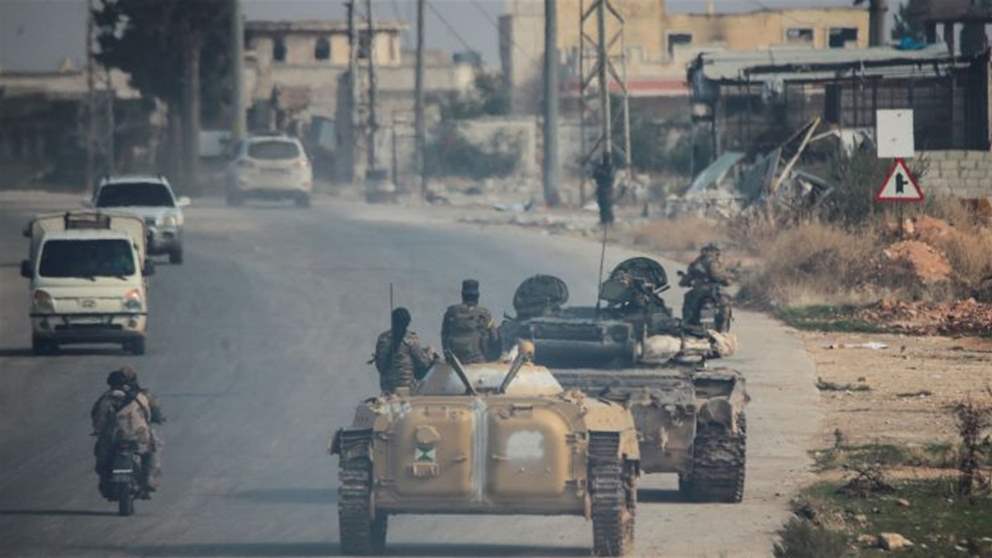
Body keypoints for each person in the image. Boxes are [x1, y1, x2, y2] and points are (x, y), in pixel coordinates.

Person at [90, 366, 163, 499]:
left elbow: (98, 418)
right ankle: (149, 481)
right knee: (153, 449)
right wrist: (158, 419)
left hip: (112, 439)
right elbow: (156, 414)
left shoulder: (106, 398)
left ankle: (107, 485)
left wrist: (99, 431)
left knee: (101, 458)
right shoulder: (143, 395)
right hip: (140, 437)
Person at [372, 307, 436, 394]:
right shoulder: (411, 339)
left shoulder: (383, 338)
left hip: (387, 387)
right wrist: (430, 353)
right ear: (408, 323)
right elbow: (424, 363)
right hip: (407, 387)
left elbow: (380, 365)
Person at [441, 279, 500, 364]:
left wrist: (447, 355)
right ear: (477, 296)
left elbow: (444, 335)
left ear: (462, 295)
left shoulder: (450, 312)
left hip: (455, 359)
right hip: (477, 359)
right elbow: (494, 339)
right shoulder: (485, 314)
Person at [679, 243, 733, 331]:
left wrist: (684, 282)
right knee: (725, 305)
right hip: (714, 291)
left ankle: (687, 325)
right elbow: (719, 276)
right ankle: (723, 330)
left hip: (699, 291)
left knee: (688, 303)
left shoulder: (696, 263)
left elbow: (687, 278)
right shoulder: (715, 263)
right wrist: (727, 280)